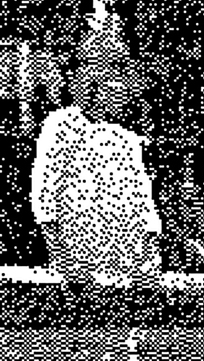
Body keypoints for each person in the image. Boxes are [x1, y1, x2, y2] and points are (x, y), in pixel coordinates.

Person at [29, 63, 163, 286]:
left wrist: (149, 256)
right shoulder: (60, 126)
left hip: (126, 263)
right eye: (116, 79)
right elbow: (45, 197)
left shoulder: (127, 139)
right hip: (79, 262)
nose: (125, 89)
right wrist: (62, 259)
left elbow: (143, 204)